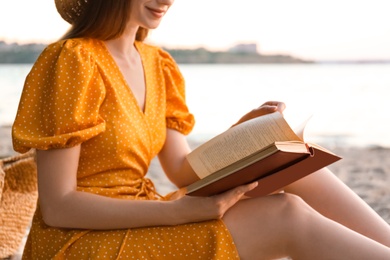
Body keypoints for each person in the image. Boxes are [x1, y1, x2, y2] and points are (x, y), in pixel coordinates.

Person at [12, 0, 390, 259]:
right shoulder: (73, 60)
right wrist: (179, 214)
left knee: (300, 171)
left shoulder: (156, 64)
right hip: (80, 242)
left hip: (142, 215)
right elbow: (59, 207)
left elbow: (179, 168)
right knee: (286, 214)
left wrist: (244, 133)